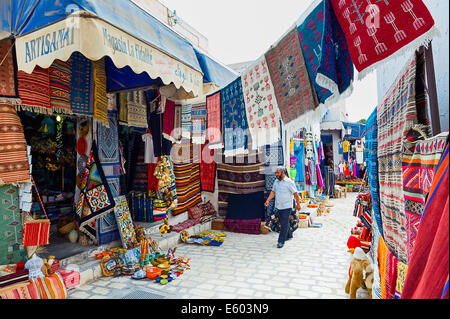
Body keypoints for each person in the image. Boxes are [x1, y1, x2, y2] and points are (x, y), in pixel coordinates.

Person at [265, 167, 302, 248]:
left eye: (278, 173)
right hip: (278, 206)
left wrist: (298, 204)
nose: (276, 174)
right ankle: (288, 234)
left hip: (287, 206)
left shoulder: (289, 182)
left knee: (284, 223)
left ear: (283, 173)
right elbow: (273, 192)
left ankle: (281, 241)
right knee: (283, 222)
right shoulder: (276, 182)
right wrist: (268, 200)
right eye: (276, 173)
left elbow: (295, 194)